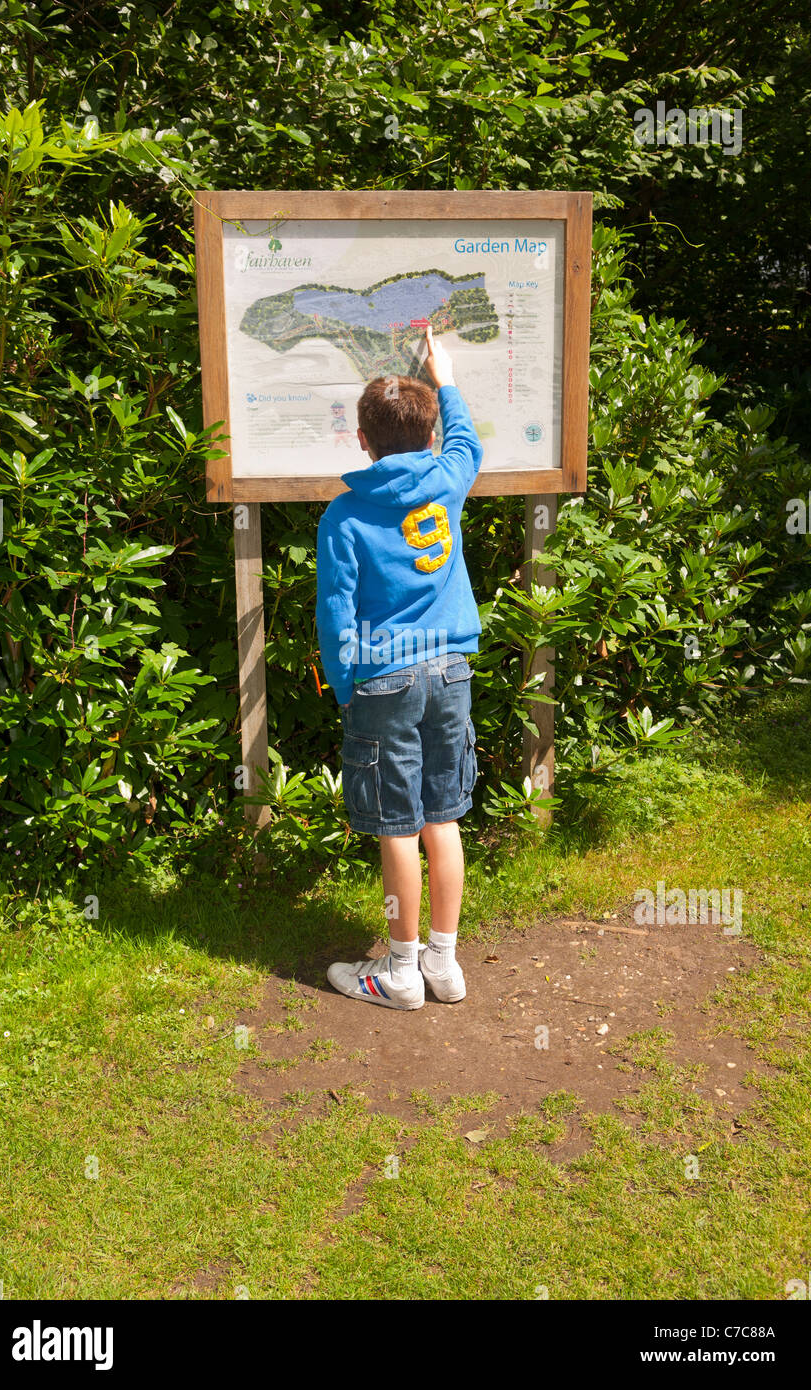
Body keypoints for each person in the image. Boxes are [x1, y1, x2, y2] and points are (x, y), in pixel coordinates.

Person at [315, 325, 483, 1009]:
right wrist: (443, 376)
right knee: (442, 817)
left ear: (362, 440)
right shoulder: (447, 477)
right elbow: (467, 442)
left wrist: (344, 685)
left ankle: (400, 972)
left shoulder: (345, 516)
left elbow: (335, 612)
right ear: (429, 433)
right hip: (449, 672)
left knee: (396, 828)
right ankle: (443, 964)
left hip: (382, 676)